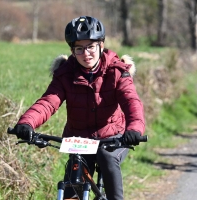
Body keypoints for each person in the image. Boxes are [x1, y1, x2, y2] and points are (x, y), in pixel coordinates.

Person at [10, 16, 145, 200]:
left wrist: (134, 129)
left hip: (113, 137)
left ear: (101, 45)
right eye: (79, 48)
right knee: (72, 184)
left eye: (90, 46)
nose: (86, 53)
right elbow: (48, 102)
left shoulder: (116, 71)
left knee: (107, 158)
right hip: (80, 140)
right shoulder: (65, 74)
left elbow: (131, 102)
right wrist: (27, 123)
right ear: (72, 51)